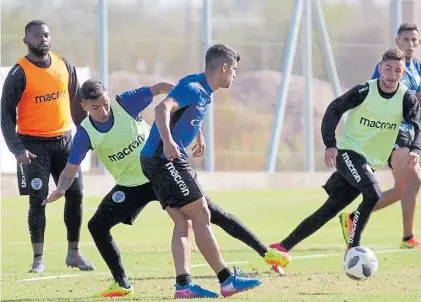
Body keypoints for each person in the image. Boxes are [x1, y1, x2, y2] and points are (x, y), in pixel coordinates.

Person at [43, 78, 290, 298]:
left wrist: (194, 119)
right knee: (97, 225)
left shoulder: (125, 103)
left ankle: (263, 253)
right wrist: (60, 189)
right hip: (132, 186)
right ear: (84, 107)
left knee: (207, 213)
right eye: (96, 107)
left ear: (109, 96)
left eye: (105, 103)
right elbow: (70, 169)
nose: (104, 110)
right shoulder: (85, 134)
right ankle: (123, 284)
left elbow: (163, 89)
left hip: (160, 171)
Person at [141, 44, 288, 298]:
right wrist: (167, 141)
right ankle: (226, 279)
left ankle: (183, 284)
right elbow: (162, 108)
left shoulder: (199, 86)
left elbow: (183, 111)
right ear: (223, 67)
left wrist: (196, 132)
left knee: (183, 221)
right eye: (234, 70)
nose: (234, 75)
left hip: (155, 159)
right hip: (164, 158)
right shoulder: (194, 88)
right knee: (202, 213)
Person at [269, 48, 421, 257]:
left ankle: (282, 248)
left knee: (328, 210)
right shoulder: (365, 90)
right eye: (387, 69)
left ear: (402, 74)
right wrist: (330, 144)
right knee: (374, 193)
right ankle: (353, 248)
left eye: (397, 71)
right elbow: (334, 109)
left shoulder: (406, 98)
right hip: (349, 152)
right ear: (380, 69)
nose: (391, 75)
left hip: (368, 161)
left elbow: (417, 125)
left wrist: (415, 149)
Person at [0, 20, 94, 273]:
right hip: (33, 147)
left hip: (65, 142)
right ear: (26, 41)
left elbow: (77, 103)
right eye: (37, 35)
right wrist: (17, 149)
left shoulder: (64, 64)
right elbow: (5, 113)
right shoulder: (19, 73)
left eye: (46, 34)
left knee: (75, 195)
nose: (43, 39)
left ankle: (73, 252)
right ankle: (38, 258)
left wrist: (89, 133)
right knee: (37, 200)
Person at [339, 23, 421, 249]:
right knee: (415, 179)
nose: (410, 44)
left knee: (402, 189)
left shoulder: (417, 68)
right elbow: (387, 93)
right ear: (397, 41)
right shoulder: (388, 68)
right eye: (405, 39)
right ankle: (407, 237)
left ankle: (353, 218)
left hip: (407, 132)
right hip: (393, 132)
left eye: (414, 40)